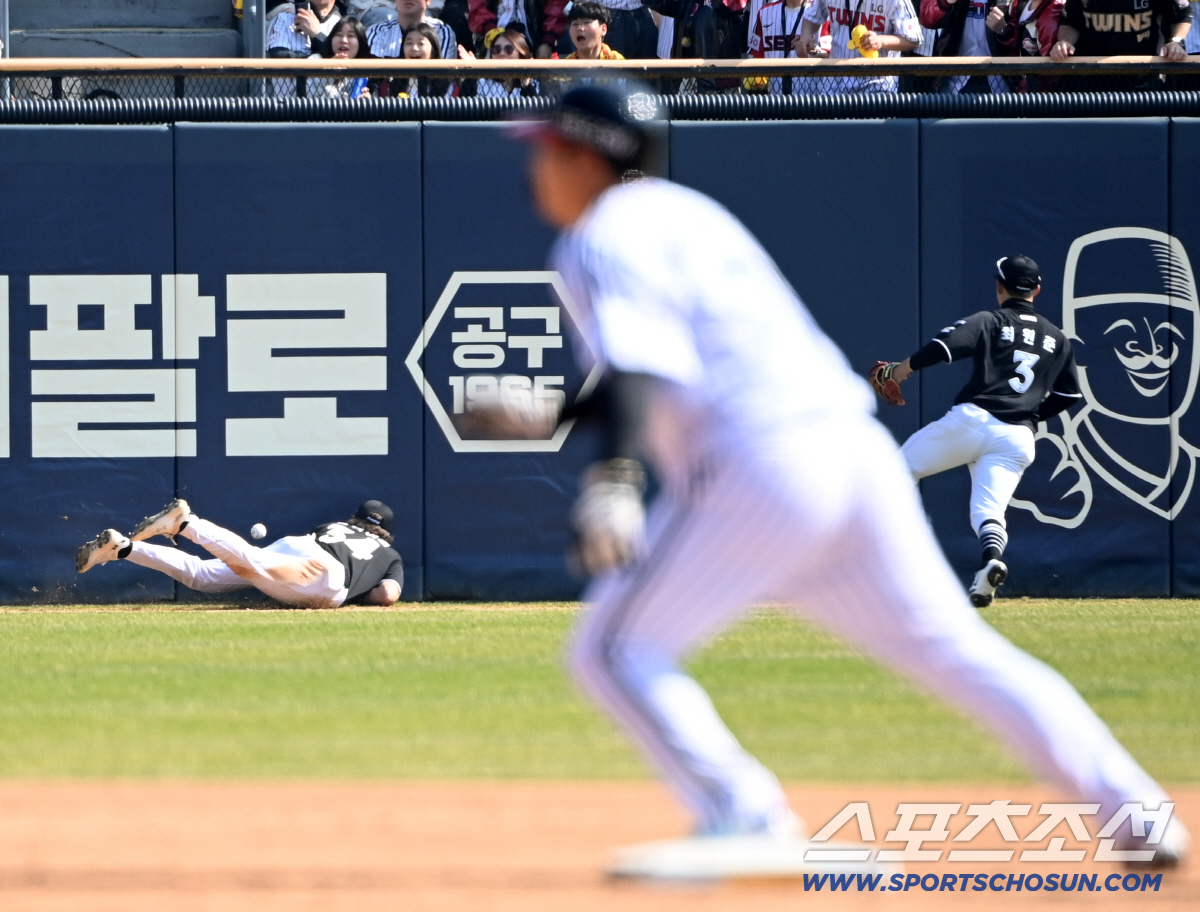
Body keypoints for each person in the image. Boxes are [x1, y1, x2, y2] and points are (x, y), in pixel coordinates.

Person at [508, 83, 1187, 878]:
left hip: (760, 469)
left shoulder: (603, 235)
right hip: (849, 454)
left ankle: (743, 812)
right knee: (958, 650)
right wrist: (556, 410)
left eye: (547, 148)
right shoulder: (686, 215)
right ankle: (1137, 813)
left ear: (587, 155)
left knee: (612, 649)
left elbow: (642, 371)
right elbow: (667, 372)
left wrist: (615, 477)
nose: (537, 167)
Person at [870, 256, 1082, 607]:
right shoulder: (1057, 338)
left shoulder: (991, 320)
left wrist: (901, 370)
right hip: (1018, 437)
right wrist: (1028, 413)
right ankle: (991, 564)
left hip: (975, 420)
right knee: (988, 511)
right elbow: (1069, 394)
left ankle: (891, 561)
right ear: (1038, 290)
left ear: (999, 286)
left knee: (897, 471)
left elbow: (944, 347)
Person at [75, 499, 403, 609]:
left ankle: (123, 547)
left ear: (356, 519)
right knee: (250, 561)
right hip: (325, 577)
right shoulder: (389, 554)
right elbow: (388, 594)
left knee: (203, 576)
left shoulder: (333, 526)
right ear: (385, 531)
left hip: (303, 544)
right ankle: (186, 524)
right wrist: (365, 591)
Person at [1051, 0, 1190, 90]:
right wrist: (1065, 42)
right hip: (1090, 75)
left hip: (1141, 75)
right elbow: (1070, 21)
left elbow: (1181, 15)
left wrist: (1176, 41)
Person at [798, 0, 921, 93]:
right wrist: (806, 34)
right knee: (831, 126)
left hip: (877, 83)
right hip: (835, 80)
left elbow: (914, 39)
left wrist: (881, 40)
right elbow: (812, 16)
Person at [919, 0, 1010, 94]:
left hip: (998, 79)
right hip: (955, 78)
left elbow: (1018, 35)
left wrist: (1004, 30)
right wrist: (946, 2)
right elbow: (926, 18)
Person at [985, 0, 1063, 92]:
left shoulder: (1053, 13)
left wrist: (1023, 93)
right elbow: (1016, 45)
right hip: (1022, 86)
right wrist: (1003, 29)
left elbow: (1049, 72)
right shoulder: (1019, 4)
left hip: (1043, 97)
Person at [748, 0, 815, 95]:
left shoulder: (819, 14)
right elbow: (756, 56)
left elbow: (829, 54)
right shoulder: (765, 12)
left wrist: (815, 51)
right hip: (775, 98)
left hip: (811, 98)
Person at [468, 0, 567, 56]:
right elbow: (477, 8)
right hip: (492, 36)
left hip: (537, 37)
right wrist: (492, 32)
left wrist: (547, 41)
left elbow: (556, 7)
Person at [367, 0, 460, 59]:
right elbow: (372, 76)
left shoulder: (442, 31)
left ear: (428, 1)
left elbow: (443, 78)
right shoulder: (377, 31)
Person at [388, 22, 458, 95]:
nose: (414, 48)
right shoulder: (391, 82)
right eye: (409, 43)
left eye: (421, 43)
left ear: (433, 51)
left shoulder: (447, 85)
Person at [314, 16, 376, 98]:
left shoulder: (367, 72)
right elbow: (305, 96)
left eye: (350, 36)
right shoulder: (315, 60)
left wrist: (366, 105)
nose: (343, 40)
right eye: (339, 34)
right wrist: (328, 72)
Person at [473, 26, 542, 96]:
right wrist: (471, 76)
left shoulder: (536, 84)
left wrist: (526, 85)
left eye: (509, 49)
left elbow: (535, 106)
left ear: (520, 54)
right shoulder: (481, 82)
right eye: (497, 49)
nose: (502, 53)